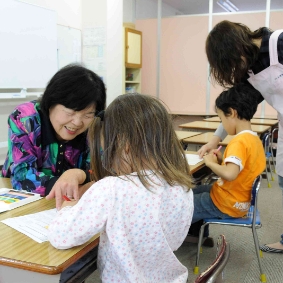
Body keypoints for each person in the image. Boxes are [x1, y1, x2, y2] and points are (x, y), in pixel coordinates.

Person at [48, 93, 194, 283]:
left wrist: (67, 209)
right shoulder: (181, 185)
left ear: (124, 145)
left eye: (107, 151)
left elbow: (61, 236)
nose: (110, 163)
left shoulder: (112, 189)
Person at [198, 20, 283, 253]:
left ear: (237, 48)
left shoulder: (279, 43)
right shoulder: (250, 71)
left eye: (232, 64)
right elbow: (234, 107)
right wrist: (215, 139)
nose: (236, 72)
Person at [1, 64, 106, 209]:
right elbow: (22, 177)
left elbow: (102, 171)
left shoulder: (94, 125)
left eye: (88, 115)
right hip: (20, 202)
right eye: (70, 112)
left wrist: (79, 174)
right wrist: (70, 186)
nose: (77, 123)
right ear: (51, 102)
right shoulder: (25, 118)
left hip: (70, 203)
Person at [192, 83, 265, 226]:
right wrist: (221, 161)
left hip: (226, 203)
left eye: (221, 119)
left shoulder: (238, 142)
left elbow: (230, 174)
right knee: (193, 191)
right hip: (239, 200)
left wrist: (211, 163)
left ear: (232, 113)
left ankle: (172, 238)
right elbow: (241, 170)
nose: (222, 124)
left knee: (182, 204)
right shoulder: (254, 139)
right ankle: (197, 235)